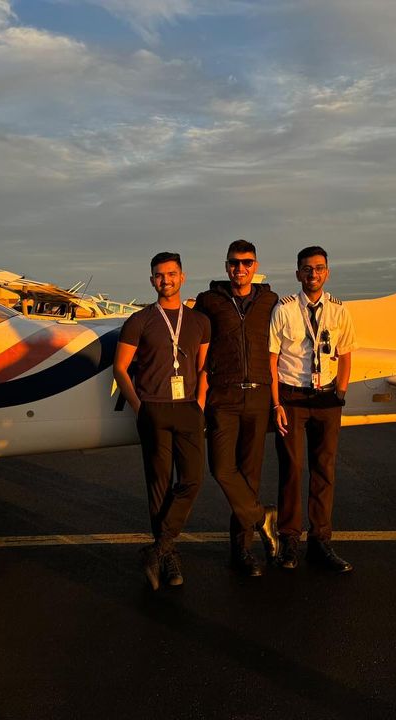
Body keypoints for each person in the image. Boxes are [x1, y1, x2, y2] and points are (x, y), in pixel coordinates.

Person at [113, 252, 211, 590]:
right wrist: (139, 407)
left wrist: (199, 403)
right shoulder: (139, 321)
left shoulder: (199, 321)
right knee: (159, 485)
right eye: (159, 275)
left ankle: (159, 547)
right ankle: (168, 556)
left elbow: (203, 367)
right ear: (152, 280)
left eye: (171, 274)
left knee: (193, 479)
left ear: (182, 277)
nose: (165, 280)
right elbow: (120, 368)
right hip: (153, 408)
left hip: (187, 408)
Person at [193, 239, 279, 577]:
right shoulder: (208, 301)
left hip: (258, 396)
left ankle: (242, 552)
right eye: (233, 263)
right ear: (226, 265)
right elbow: (195, 345)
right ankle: (261, 517)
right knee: (221, 468)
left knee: (250, 476)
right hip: (223, 396)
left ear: (255, 265)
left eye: (246, 263)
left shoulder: (271, 301)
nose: (239, 269)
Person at [269, 246, 356, 573]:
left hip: (326, 398)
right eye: (306, 269)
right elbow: (272, 359)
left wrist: (341, 390)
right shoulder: (285, 309)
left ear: (327, 273)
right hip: (292, 396)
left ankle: (321, 541)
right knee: (290, 469)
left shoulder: (338, 310)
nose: (313, 274)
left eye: (319, 268)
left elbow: (345, 353)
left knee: (324, 469)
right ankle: (289, 539)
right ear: (298, 274)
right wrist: (276, 402)